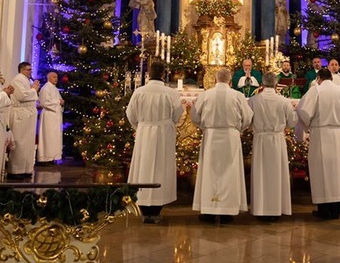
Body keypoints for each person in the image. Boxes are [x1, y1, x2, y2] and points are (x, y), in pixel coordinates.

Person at [191, 68, 253, 224]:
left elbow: (194, 115)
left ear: (215, 80)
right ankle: (227, 212)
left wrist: (204, 127)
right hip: (230, 137)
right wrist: (238, 128)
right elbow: (248, 117)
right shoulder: (237, 96)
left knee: (210, 172)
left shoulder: (206, 95)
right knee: (229, 172)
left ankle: (209, 211)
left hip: (211, 136)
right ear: (230, 81)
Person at [126, 61, 183, 224]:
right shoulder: (170, 93)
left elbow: (130, 114)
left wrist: (141, 126)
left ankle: (144, 209)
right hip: (163, 133)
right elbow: (177, 114)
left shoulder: (139, 91)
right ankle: (156, 209)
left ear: (149, 74)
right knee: (161, 168)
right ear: (163, 74)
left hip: (144, 132)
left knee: (144, 167)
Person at [297, 68, 340, 220]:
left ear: (319, 78)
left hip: (321, 133)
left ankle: (323, 209)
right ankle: (336, 209)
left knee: (322, 172)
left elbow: (304, 111)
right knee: (337, 172)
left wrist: (308, 126)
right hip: (338, 135)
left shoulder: (316, 90)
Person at [249, 72, 298, 221]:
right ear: (276, 84)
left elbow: (246, 120)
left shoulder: (253, 100)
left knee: (261, 174)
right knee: (277, 174)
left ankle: (260, 209)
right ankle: (276, 208)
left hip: (261, 139)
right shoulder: (283, 101)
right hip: (277, 140)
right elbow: (292, 122)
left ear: (262, 84)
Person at [6, 62, 40, 179]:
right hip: (20, 114)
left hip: (28, 114)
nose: (30, 72)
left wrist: (33, 89)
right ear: (21, 70)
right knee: (20, 141)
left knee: (28, 142)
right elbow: (22, 96)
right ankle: (15, 170)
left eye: (31, 70)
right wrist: (34, 90)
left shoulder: (26, 80)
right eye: (28, 70)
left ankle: (26, 169)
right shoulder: (17, 80)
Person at [37, 72, 64, 165]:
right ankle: (45, 158)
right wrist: (58, 102)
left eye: (56, 77)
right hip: (48, 115)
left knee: (53, 137)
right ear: (48, 78)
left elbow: (60, 101)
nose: (56, 79)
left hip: (55, 116)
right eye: (54, 77)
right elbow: (44, 103)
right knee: (47, 136)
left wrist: (61, 102)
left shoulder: (54, 88)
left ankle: (52, 157)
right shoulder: (45, 88)